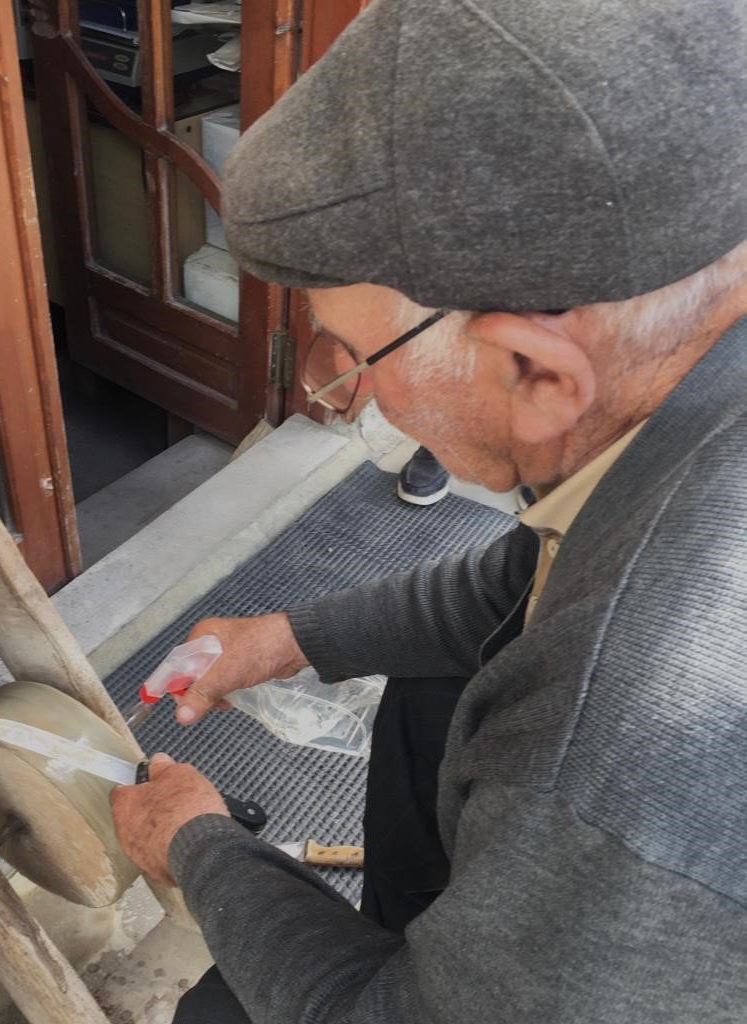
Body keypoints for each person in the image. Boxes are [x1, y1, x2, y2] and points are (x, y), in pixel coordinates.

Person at [111, 1, 747, 1021]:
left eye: (360, 360)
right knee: (431, 688)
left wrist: (197, 841)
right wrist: (286, 637)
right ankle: (440, 945)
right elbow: (528, 575)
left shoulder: (629, 737)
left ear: (536, 370)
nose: (355, 397)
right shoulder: (692, 367)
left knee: (217, 1009)